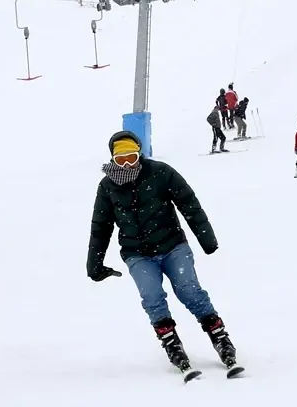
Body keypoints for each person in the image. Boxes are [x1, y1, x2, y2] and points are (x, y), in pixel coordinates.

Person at [86, 131, 241, 377]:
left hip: (173, 246)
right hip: (137, 254)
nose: (127, 164)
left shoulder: (160, 172)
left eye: (132, 157)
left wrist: (206, 239)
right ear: (113, 160)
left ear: (140, 154)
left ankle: (220, 338)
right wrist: (94, 263)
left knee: (189, 290)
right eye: (121, 159)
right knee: (152, 297)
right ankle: (172, 343)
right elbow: (101, 226)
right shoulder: (107, 186)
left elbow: (189, 203)